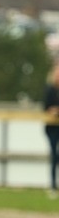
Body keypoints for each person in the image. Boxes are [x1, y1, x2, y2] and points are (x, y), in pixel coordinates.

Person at [44, 63, 59, 199]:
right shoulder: (49, 89)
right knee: (54, 156)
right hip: (51, 128)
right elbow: (45, 107)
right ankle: (53, 185)